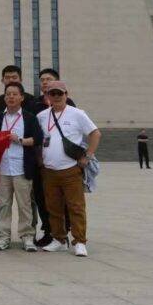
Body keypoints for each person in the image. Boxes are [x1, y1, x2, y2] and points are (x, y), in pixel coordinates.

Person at [38, 81, 100, 257]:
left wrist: (88, 156)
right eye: (53, 94)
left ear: (66, 94)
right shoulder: (42, 116)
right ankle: (59, 239)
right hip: (49, 170)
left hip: (70, 169)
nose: (56, 97)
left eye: (60, 93)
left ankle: (80, 241)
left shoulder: (77, 114)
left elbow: (95, 133)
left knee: (76, 207)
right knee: (53, 207)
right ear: (47, 96)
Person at [0, 82, 44, 252]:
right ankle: (3, 236)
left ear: (22, 97)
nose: (11, 97)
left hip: (22, 168)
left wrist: (19, 140)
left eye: (15, 94)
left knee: (25, 204)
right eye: (8, 94)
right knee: (3, 205)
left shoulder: (29, 117)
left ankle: (27, 236)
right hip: (2, 168)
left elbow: (37, 139)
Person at [29, 68, 76, 247]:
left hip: (66, 162)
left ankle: (65, 232)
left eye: (49, 79)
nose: (45, 82)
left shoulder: (68, 103)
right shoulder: (34, 105)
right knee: (43, 198)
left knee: (67, 200)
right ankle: (49, 231)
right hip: (42, 162)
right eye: (42, 80)